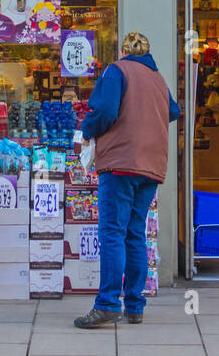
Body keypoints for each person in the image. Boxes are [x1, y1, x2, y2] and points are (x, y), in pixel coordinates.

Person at [73, 31, 181, 329]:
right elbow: (173, 110)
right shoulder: (157, 78)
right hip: (151, 164)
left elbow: (104, 111)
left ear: (123, 51)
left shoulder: (116, 71)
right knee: (135, 233)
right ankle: (135, 305)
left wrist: (87, 131)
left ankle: (107, 304)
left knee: (112, 233)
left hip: (121, 163)